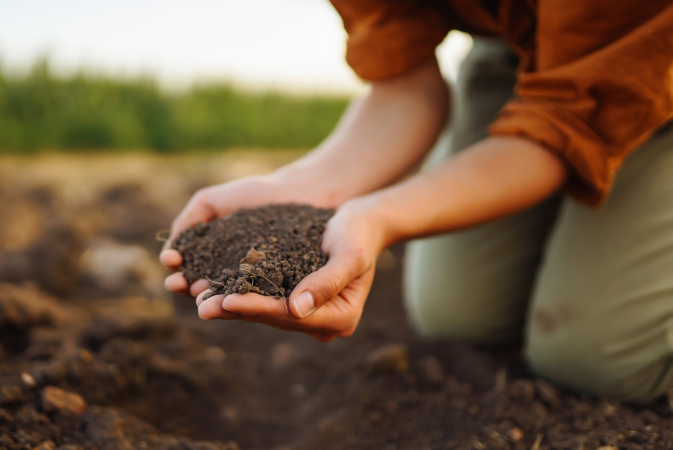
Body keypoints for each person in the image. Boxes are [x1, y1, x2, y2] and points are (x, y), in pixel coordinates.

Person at [160, 1, 673, 402]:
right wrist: (303, 191)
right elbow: (405, 84)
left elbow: (562, 125)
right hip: (521, 47)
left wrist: (381, 216)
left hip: (651, 50)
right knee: (458, 316)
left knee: (594, 359)